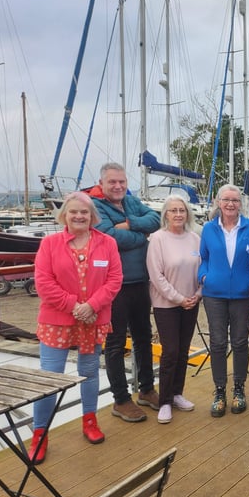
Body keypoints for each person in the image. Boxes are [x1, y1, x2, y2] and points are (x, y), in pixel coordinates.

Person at [29, 192, 123, 463]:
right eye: (73, 212)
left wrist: (92, 305)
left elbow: (115, 279)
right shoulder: (49, 244)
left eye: (84, 212)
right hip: (57, 319)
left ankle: (90, 421)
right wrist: (75, 306)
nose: (79, 216)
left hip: (93, 318)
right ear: (64, 216)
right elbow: (44, 283)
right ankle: (40, 433)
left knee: (89, 372)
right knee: (50, 377)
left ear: (92, 215)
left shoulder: (107, 243)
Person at [91, 162, 161, 423]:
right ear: (102, 183)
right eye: (112, 182)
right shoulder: (95, 205)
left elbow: (155, 219)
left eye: (122, 182)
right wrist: (140, 236)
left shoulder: (130, 202)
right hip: (113, 286)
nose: (118, 186)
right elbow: (108, 237)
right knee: (116, 343)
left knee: (144, 337)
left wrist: (128, 223)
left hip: (140, 282)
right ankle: (120, 399)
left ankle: (145, 389)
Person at [199, 184, 249, 417]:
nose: (231, 204)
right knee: (217, 343)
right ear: (218, 202)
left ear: (240, 204)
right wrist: (203, 276)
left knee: (240, 342)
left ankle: (239, 389)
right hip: (214, 294)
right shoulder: (208, 229)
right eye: (226, 200)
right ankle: (219, 390)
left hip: (243, 295)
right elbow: (203, 258)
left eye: (235, 200)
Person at [146, 195, 202, 424]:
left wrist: (198, 294)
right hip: (167, 304)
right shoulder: (157, 239)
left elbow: (202, 268)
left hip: (191, 302)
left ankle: (178, 393)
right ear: (166, 214)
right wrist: (178, 298)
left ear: (187, 213)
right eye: (173, 210)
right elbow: (156, 275)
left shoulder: (195, 239)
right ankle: (165, 401)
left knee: (183, 350)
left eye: (182, 210)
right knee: (170, 352)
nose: (178, 214)